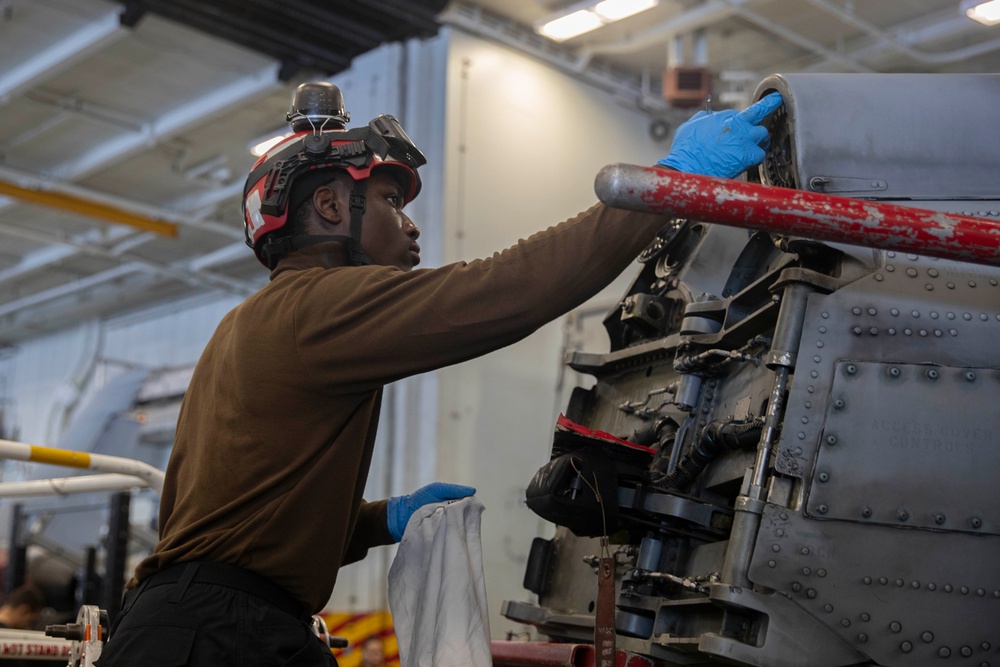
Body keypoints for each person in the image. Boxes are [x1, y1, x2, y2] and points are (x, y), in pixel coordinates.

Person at [97, 82, 783, 666]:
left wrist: (380, 519)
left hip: (198, 624)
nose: (412, 226)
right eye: (394, 202)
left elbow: (238, 522)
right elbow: (506, 291)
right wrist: (659, 186)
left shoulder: (254, 323)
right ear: (332, 208)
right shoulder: (318, 307)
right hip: (219, 635)